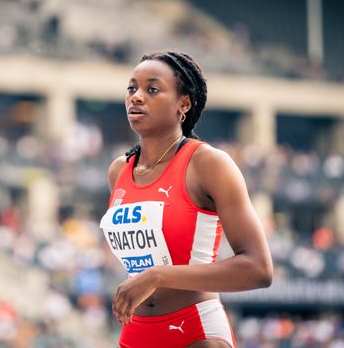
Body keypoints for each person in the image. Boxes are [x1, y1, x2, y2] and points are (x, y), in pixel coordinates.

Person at [100, 51, 273, 347]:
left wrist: (157, 276)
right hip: (135, 333)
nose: (136, 97)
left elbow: (258, 269)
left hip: (195, 331)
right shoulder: (119, 171)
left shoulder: (208, 163)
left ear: (184, 103)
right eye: (132, 88)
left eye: (152, 89)